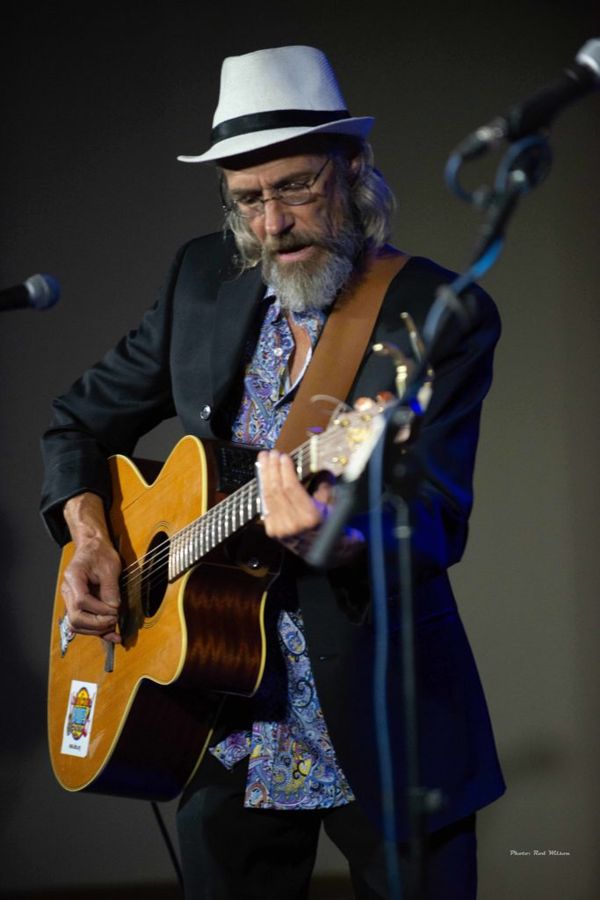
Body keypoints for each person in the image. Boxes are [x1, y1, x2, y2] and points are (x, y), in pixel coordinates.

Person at [41, 45, 505, 900]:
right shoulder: (201, 278)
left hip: (381, 714)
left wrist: (337, 539)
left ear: (352, 167)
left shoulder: (437, 314)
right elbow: (77, 421)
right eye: (247, 198)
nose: (272, 224)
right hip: (218, 711)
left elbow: (436, 519)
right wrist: (91, 536)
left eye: (295, 187)